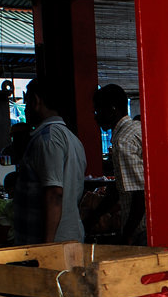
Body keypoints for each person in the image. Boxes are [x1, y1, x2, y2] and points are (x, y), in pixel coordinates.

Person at [12, 77, 87, 245]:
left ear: (36, 101)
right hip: (68, 237)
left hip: (53, 243)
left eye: (27, 102)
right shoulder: (71, 138)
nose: (25, 110)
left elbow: (54, 194)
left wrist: (47, 246)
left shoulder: (48, 139)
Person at [91, 83, 146, 244]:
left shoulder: (123, 141)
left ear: (112, 109)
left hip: (142, 229)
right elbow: (119, 188)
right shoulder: (137, 129)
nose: (95, 116)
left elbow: (139, 194)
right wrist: (97, 214)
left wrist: (127, 235)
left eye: (98, 110)